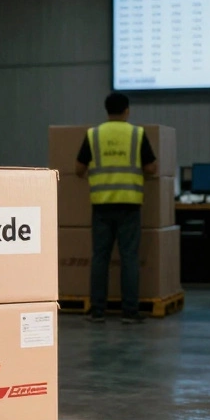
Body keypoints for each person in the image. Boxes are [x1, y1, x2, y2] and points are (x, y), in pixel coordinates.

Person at [74, 93, 158, 324]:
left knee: (100, 257)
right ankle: (129, 312)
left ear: (106, 111)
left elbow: (79, 169)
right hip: (129, 204)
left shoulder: (94, 135)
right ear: (127, 111)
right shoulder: (137, 134)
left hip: (101, 205)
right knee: (129, 257)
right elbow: (151, 168)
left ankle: (97, 311)